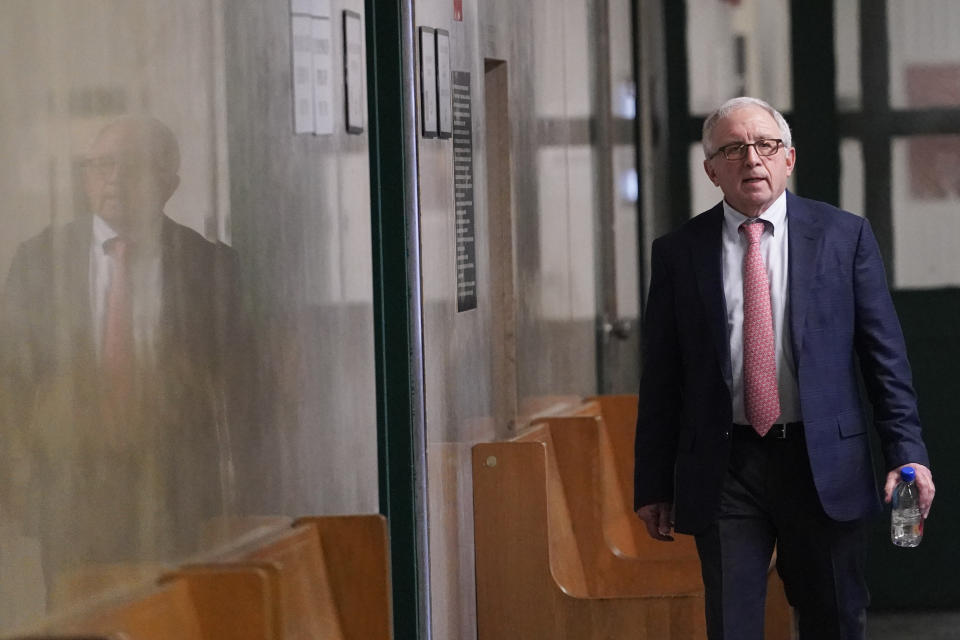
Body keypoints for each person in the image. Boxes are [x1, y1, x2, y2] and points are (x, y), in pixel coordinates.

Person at [633, 96, 934, 639]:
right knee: (732, 624)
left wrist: (907, 454)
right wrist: (653, 483)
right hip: (726, 465)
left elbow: (885, 360)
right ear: (711, 170)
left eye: (766, 146)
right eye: (733, 149)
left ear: (788, 159)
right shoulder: (678, 252)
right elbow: (662, 378)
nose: (752, 159)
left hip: (821, 462)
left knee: (834, 620)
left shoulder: (845, 237)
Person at [0, 116, 248, 602]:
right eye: (99, 165)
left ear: (168, 184)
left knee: (173, 617)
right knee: (78, 621)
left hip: (176, 494)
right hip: (71, 490)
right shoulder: (38, 261)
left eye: (130, 166)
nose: (111, 178)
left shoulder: (211, 266)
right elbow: (12, 379)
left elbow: (238, 390)